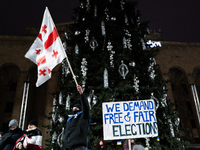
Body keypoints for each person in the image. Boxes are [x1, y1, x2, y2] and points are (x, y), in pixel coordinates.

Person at [61, 85, 90, 150]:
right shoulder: (69, 120)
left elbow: (86, 108)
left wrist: (81, 94)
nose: (74, 110)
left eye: (76, 108)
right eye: (73, 109)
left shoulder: (83, 116)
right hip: (68, 147)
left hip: (78, 146)